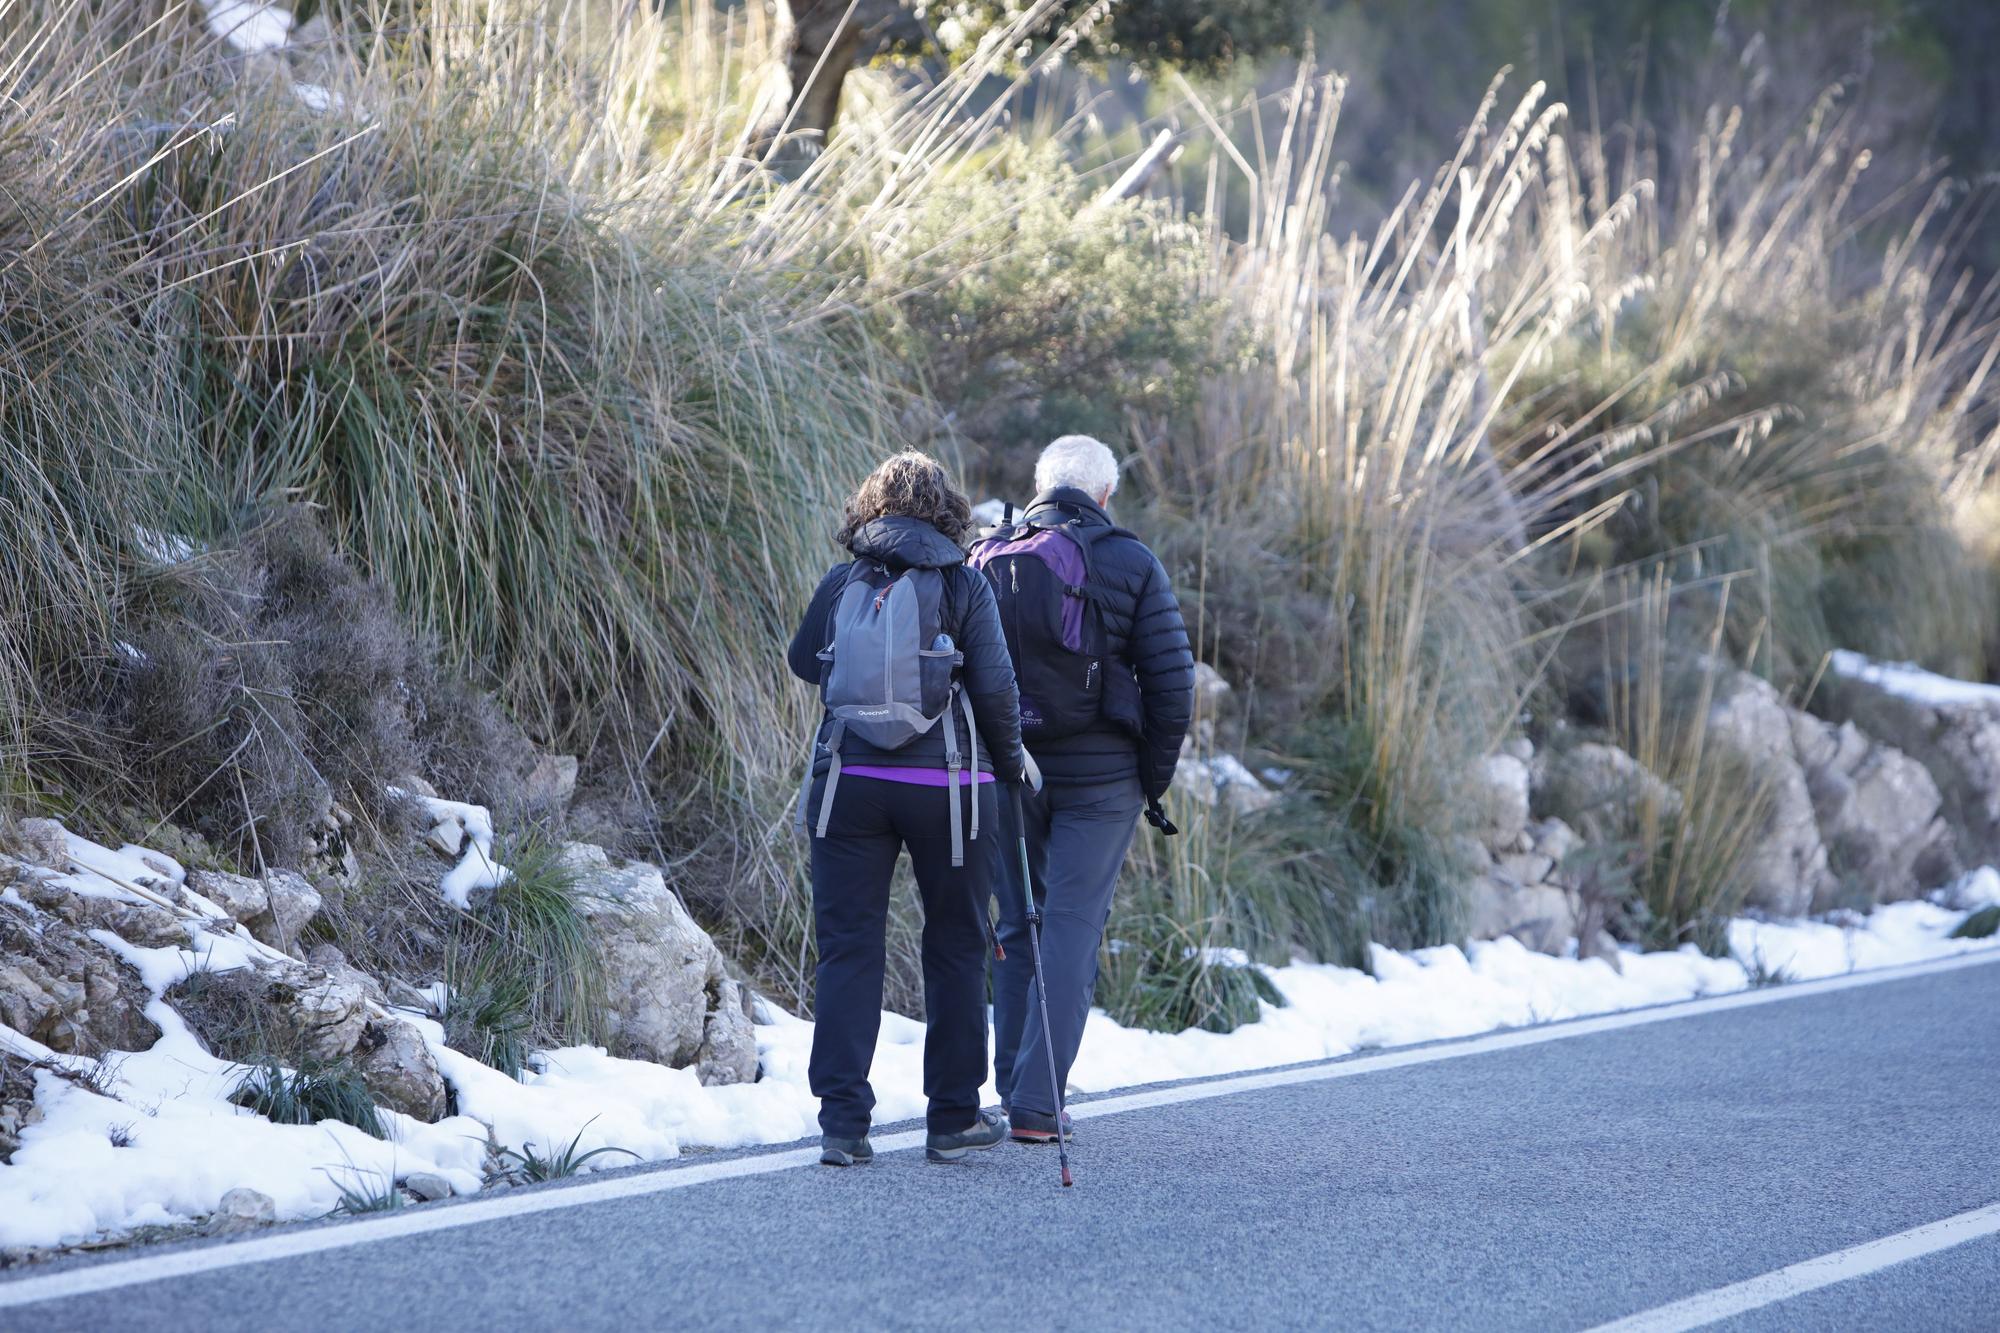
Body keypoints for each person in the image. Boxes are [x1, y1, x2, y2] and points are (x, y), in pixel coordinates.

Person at [788, 452, 1028, 1167]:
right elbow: (995, 688)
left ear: (871, 508)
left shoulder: (844, 580)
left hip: (849, 783)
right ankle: (953, 1115)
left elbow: (806, 662)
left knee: (848, 948)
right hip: (948, 793)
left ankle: (843, 1124)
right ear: (947, 510)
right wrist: (1011, 763)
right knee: (955, 943)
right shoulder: (964, 583)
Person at [977, 434, 1194, 1142]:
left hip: (1012, 767)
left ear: (1041, 485)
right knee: (1070, 927)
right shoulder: (1130, 561)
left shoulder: (992, 554)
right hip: (1101, 779)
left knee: (1018, 924)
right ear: (1106, 494)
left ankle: (1013, 1085)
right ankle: (1039, 1105)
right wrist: (1148, 780)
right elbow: (1173, 688)